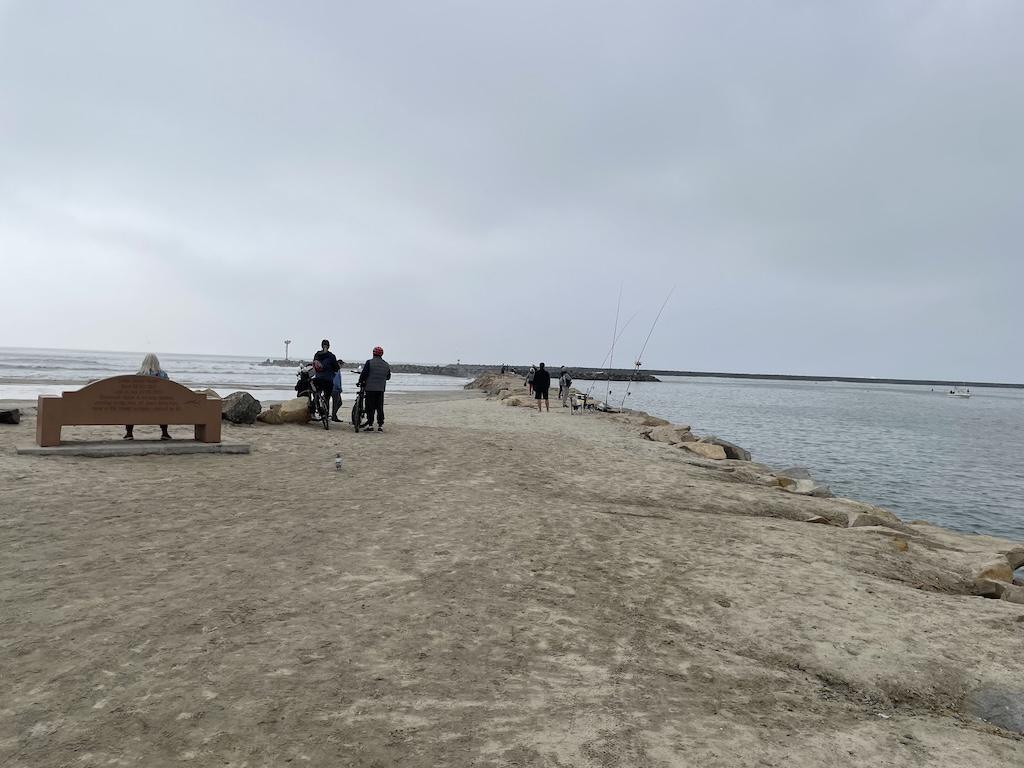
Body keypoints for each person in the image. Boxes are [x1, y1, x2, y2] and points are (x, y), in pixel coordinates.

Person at [124, 353, 172, 440]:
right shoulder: (163, 375)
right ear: (157, 363)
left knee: (130, 407)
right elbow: (168, 391)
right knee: (164, 406)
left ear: (144, 362)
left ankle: (129, 433)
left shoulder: (139, 374)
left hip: (140, 406)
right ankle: (165, 433)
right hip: (159, 407)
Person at [358, 346, 391, 432]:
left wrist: (360, 381)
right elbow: (388, 377)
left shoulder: (369, 362)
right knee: (379, 407)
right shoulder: (386, 364)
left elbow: (364, 374)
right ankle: (380, 426)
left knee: (370, 407)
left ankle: (370, 425)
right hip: (380, 389)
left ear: (373, 353)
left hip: (370, 388)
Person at [312, 339, 340, 418]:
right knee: (327, 397)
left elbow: (314, 365)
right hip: (328, 380)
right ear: (329, 346)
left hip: (318, 379)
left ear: (321, 346)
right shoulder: (331, 356)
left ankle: (314, 411)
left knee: (316, 394)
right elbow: (336, 368)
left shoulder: (317, 354)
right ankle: (326, 414)